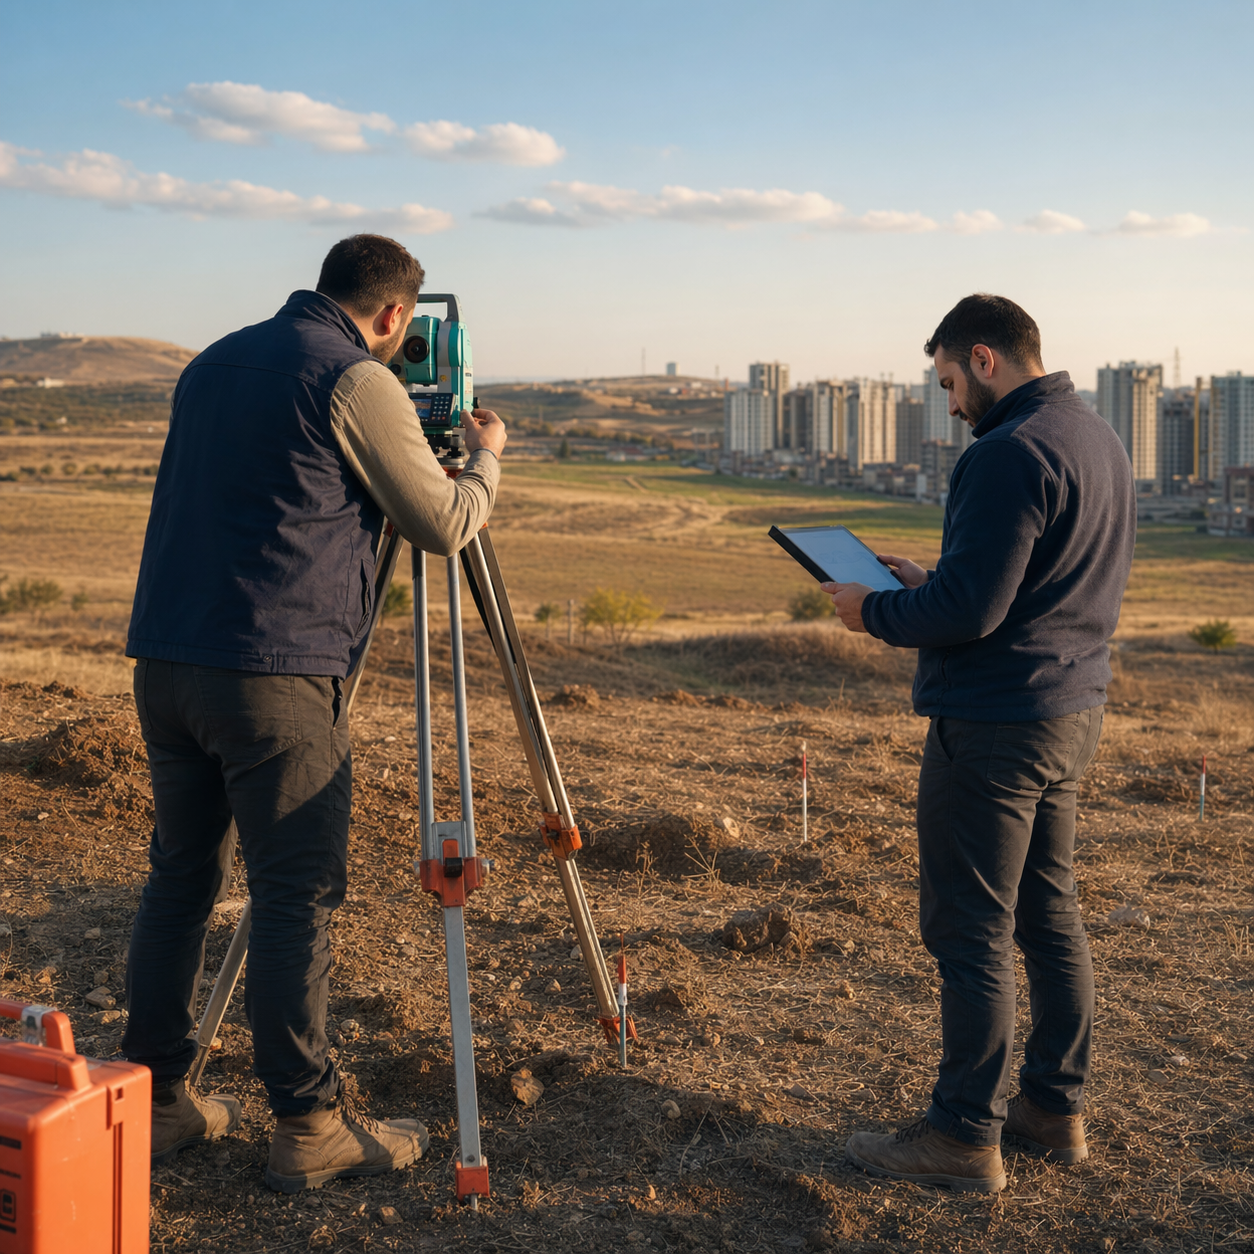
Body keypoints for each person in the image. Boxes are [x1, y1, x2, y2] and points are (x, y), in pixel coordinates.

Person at [121, 234, 507, 1192]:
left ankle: (156, 1100)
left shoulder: (214, 359)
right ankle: (307, 1124)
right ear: (391, 317)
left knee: (179, 880)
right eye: (403, 339)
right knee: (294, 895)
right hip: (273, 673)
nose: (401, 356)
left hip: (168, 660)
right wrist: (487, 461)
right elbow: (445, 524)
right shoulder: (354, 380)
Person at [825, 294, 1134, 1193]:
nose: (951, 404)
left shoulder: (1007, 451)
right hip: (1070, 711)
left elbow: (971, 613)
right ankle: (1053, 1108)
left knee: (971, 930)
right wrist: (931, 577)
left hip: (996, 726)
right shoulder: (1096, 436)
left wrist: (874, 609)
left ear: (986, 360)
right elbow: (1026, 579)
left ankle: (963, 1135)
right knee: (1049, 913)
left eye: (952, 382)